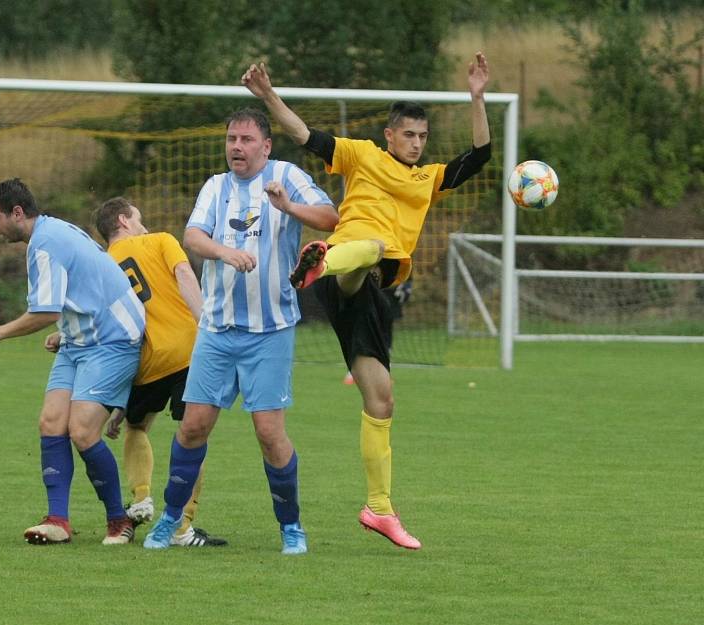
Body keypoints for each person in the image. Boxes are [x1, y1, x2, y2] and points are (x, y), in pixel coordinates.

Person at [242, 52, 492, 550]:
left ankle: (379, 508)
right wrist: (268, 96)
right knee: (371, 249)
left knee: (381, 400)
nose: (417, 144)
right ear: (390, 135)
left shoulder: (430, 179)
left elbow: (479, 158)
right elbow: (305, 135)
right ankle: (321, 262)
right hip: (345, 266)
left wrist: (477, 96)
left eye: (423, 136)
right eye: (409, 135)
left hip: (373, 289)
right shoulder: (362, 156)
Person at [142, 108, 338, 554]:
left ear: (266, 147)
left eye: (247, 139)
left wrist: (287, 207)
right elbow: (192, 237)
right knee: (193, 427)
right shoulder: (215, 186)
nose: (237, 146)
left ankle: (291, 526)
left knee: (269, 432)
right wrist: (226, 253)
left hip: (270, 331)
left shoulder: (286, 175)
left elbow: (330, 217)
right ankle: (171, 519)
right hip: (216, 329)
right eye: (232, 138)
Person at [0, 178, 145, 546]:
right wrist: (68, 330)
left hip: (114, 339)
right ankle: (57, 521)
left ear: (16, 213)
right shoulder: (51, 231)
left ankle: (119, 521)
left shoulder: (45, 245)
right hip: (80, 339)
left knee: (82, 431)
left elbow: (45, 310)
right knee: (51, 421)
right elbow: (80, 293)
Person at [93, 196, 226, 547]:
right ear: (123, 220)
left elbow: (103, 321)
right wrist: (205, 323)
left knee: (136, 427)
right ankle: (183, 527)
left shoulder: (101, 264)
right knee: (194, 435)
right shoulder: (162, 240)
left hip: (144, 361)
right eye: (138, 218)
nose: (143, 223)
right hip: (187, 350)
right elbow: (184, 274)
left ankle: (141, 498)